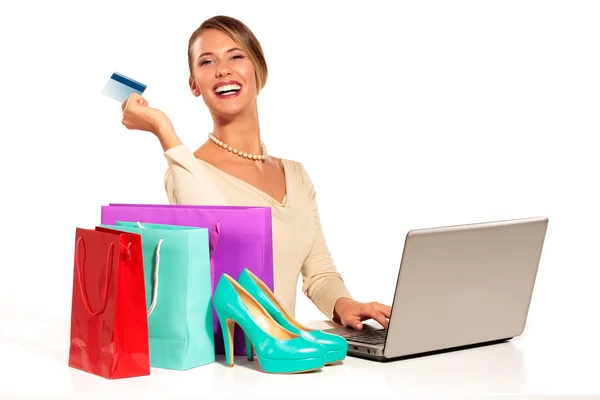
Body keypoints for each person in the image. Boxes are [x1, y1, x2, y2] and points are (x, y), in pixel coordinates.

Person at [120, 15, 391, 331]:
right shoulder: (185, 173)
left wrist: (345, 305)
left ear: (258, 70)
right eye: (207, 62)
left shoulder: (296, 175)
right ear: (194, 84)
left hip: (289, 356)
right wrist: (162, 129)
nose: (223, 69)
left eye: (236, 56)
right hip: (229, 365)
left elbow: (319, 271)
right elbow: (220, 240)